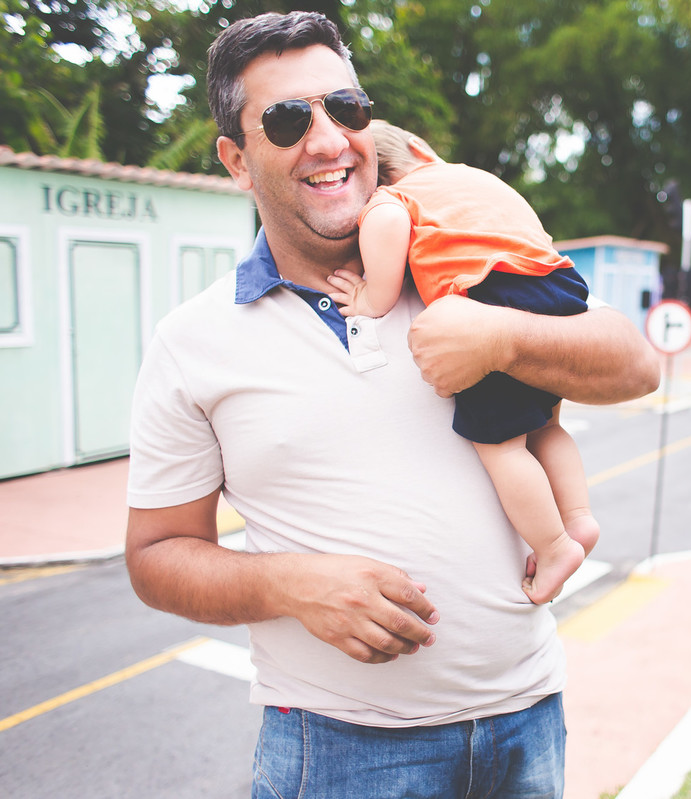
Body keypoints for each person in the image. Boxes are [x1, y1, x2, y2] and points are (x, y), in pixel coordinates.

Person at [123, 10, 659, 798]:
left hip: (529, 720)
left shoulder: (457, 263)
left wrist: (500, 334)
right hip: (340, 752)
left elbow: (635, 365)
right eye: (286, 118)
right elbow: (156, 556)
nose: (330, 138)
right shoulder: (191, 342)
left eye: (346, 107)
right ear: (237, 161)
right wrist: (293, 584)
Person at [326, 121, 598, 605]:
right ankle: (578, 518)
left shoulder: (396, 197)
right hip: (559, 282)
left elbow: (387, 226)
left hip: (490, 292)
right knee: (547, 427)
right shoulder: (472, 177)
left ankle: (556, 547)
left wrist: (373, 295)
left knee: (502, 446)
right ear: (418, 147)